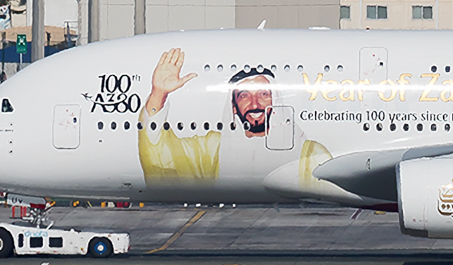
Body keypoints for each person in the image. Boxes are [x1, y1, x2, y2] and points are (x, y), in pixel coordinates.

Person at [138, 47, 330, 190]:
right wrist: (158, 94)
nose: (254, 104)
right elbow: (162, 157)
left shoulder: (311, 153)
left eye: (263, 94)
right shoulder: (211, 149)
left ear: (276, 100)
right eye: (244, 95)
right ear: (234, 107)